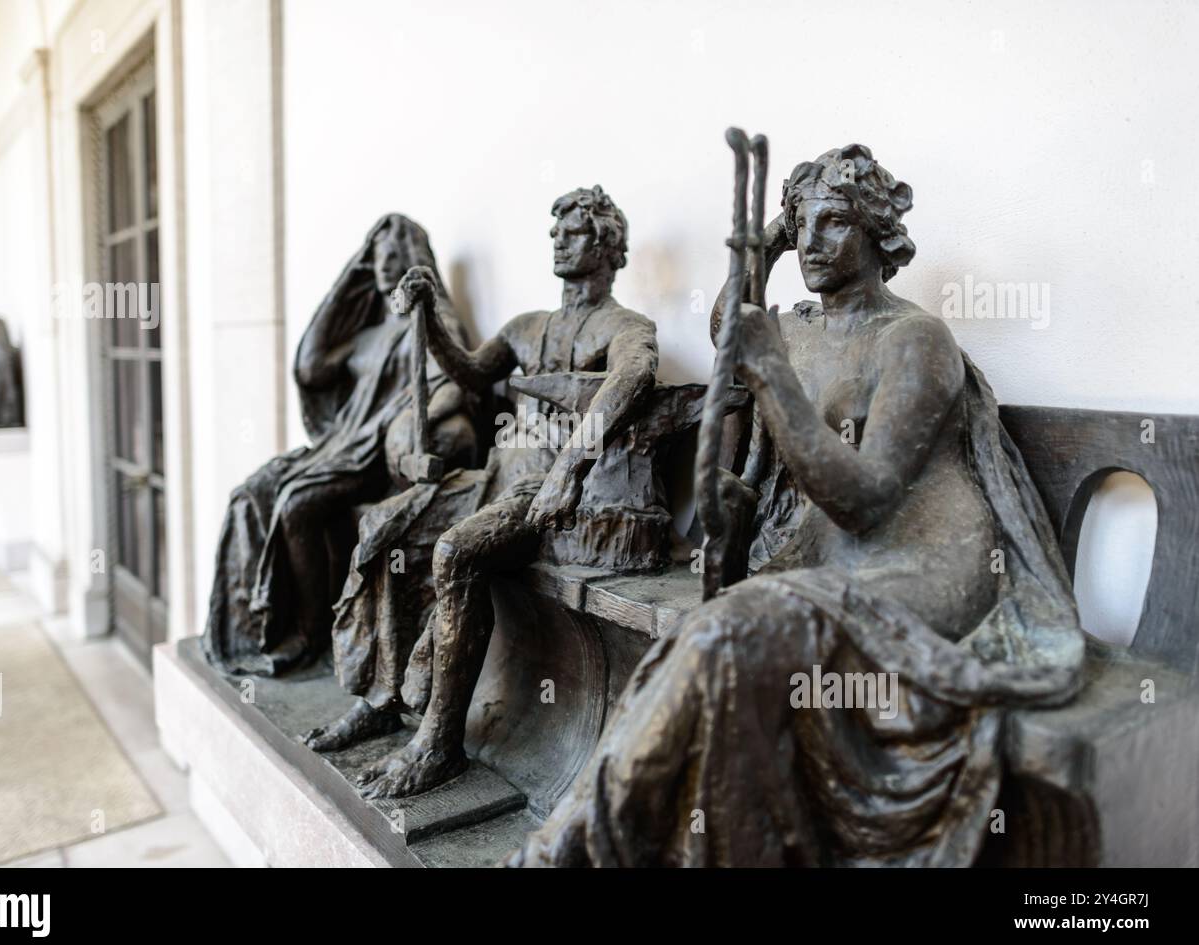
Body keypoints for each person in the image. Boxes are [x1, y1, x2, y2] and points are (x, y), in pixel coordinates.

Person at [510, 145, 1085, 867]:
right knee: (704, 641)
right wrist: (780, 231)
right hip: (834, 559)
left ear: (880, 236)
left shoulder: (916, 340)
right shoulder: (801, 328)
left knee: (725, 637)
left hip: (923, 565)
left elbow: (866, 500)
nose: (811, 240)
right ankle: (597, 845)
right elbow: (730, 324)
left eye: (835, 223)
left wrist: (774, 374)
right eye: (801, 223)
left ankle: (567, 850)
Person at [305, 187, 659, 802]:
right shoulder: (525, 328)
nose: (557, 239)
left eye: (572, 232)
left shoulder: (625, 327)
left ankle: (440, 744)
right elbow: (470, 370)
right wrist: (429, 316)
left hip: (548, 492)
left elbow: (635, 374)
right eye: (554, 232)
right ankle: (382, 698)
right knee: (381, 526)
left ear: (605, 245)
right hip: (495, 477)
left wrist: (571, 466)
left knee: (455, 553)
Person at [202, 214, 477, 676]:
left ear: (414, 258)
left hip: (377, 457)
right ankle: (255, 625)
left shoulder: (429, 319)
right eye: (376, 258)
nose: (384, 266)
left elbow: (456, 383)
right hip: (341, 448)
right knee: (252, 493)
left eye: (393, 256)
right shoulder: (368, 331)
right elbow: (311, 367)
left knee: (296, 503)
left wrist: (410, 420)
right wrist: (353, 273)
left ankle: (312, 633)